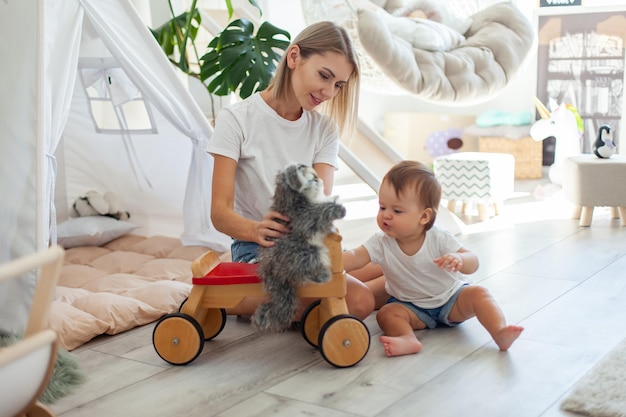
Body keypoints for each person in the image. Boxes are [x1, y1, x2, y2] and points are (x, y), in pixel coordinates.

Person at [206, 21, 375, 321]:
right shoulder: (236, 119)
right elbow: (219, 213)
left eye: (338, 85)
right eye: (324, 76)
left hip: (305, 245)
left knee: (393, 261)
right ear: (294, 57)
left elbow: (318, 204)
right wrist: (255, 230)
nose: (328, 92)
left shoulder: (324, 129)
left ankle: (287, 308)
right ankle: (224, 300)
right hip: (258, 248)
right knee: (361, 299)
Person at [343, 160, 524, 356]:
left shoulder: (438, 237)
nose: (386, 215)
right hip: (410, 307)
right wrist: (330, 262)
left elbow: (473, 261)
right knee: (387, 314)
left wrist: (460, 260)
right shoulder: (381, 242)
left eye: (396, 211)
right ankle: (407, 339)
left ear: (424, 217)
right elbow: (356, 256)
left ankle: (499, 331)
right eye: (382, 207)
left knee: (479, 293)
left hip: (451, 300)